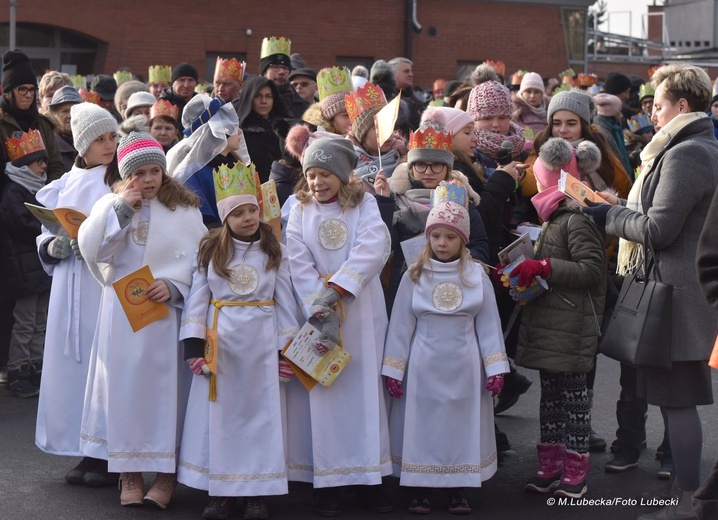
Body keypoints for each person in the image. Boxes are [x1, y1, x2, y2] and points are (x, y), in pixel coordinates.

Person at [581, 63, 718, 520]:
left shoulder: (688, 153)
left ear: (682, 106)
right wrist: (618, 208)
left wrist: (609, 216)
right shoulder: (691, 147)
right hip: (677, 295)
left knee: (677, 403)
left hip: (676, 300)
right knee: (675, 401)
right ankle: (690, 501)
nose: (651, 114)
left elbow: (659, 229)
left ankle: (687, 505)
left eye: (658, 106)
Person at [77, 120, 206, 509]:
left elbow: (199, 262)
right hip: (123, 317)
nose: (148, 180)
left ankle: (166, 476)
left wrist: (176, 286)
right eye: (138, 173)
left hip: (166, 318)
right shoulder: (110, 205)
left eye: (154, 171)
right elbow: (95, 250)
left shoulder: (183, 208)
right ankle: (129, 472)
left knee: (168, 395)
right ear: (125, 175)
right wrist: (121, 209)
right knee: (126, 392)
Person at [177, 161, 298, 520]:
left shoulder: (274, 249)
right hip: (222, 345)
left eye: (252, 210)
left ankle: (257, 492)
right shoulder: (212, 251)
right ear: (225, 217)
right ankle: (223, 492)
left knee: (260, 418)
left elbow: (286, 303)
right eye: (238, 213)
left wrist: (285, 352)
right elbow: (198, 300)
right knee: (222, 419)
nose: (247, 218)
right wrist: (193, 348)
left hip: (261, 346)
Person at [284, 137, 393, 516]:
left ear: (344, 175)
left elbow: (374, 246)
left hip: (359, 307)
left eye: (325, 174)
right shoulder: (299, 209)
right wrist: (319, 301)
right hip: (317, 312)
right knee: (324, 393)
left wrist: (339, 288)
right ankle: (327, 480)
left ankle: (368, 479)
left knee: (363, 392)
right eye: (311, 174)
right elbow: (295, 257)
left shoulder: (364, 203)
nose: (317, 182)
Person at [382, 192, 509, 515]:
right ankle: (419, 488)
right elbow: (401, 325)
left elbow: (489, 324)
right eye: (436, 235)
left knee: (459, 427)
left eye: (450, 237)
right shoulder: (414, 275)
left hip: (465, 366)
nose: (442, 242)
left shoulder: (476, 276)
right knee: (422, 426)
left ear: (462, 240)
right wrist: (394, 369)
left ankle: (457, 488)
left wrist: (494, 367)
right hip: (423, 365)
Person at [513, 137, 607, 499]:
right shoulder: (554, 216)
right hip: (554, 324)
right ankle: (550, 464)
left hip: (572, 324)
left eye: (538, 180)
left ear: (552, 180)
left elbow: (592, 271)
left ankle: (575, 467)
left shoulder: (573, 218)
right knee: (550, 397)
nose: (535, 187)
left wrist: (546, 265)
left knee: (574, 399)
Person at [35, 102, 121, 486]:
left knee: (102, 367)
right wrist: (50, 246)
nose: (108, 145)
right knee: (73, 367)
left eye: (112, 137)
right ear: (82, 144)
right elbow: (46, 228)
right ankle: (80, 448)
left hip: (100, 283)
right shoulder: (63, 184)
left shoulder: (118, 180)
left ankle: (105, 452)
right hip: (69, 283)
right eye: (100, 139)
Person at [385, 122, 488, 312]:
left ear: (447, 168)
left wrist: (457, 257)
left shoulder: (462, 200)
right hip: (406, 285)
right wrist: (381, 202)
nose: (428, 172)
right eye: (421, 165)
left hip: (451, 287)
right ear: (411, 167)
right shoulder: (395, 200)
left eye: (437, 165)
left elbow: (479, 245)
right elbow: (384, 246)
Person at [0, 130, 52, 397]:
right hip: (23, 270)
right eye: (37, 161)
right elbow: (21, 224)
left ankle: (36, 365)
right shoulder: (13, 190)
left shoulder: (37, 188)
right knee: (25, 322)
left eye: (43, 161)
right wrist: (50, 224)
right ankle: (17, 370)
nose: (43, 166)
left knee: (40, 320)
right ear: (23, 164)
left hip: (38, 267)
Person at [167, 95, 244, 228]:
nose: (240, 131)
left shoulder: (233, 163)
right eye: (232, 127)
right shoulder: (193, 172)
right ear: (217, 131)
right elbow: (204, 221)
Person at [0, 49, 65, 181]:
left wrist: (47, 193)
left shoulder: (43, 123)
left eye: (32, 89)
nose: (29, 95)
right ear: (7, 92)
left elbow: (56, 165)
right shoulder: (1, 123)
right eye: (22, 89)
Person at [345, 81, 405, 185]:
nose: (387, 133)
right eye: (377, 127)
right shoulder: (347, 161)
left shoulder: (402, 156)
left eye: (389, 126)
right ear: (362, 135)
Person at [236, 76, 291, 183]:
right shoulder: (239, 133)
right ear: (249, 98)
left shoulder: (284, 129)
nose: (264, 101)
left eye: (269, 96)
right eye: (257, 96)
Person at [259, 36, 308, 118]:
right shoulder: (247, 101)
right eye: (275, 67)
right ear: (264, 71)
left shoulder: (302, 107)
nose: (281, 72)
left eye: (285, 68)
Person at [301, 66, 353, 136]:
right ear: (330, 120)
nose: (353, 120)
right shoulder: (318, 143)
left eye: (355, 114)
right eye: (346, 115)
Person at [593, 93, 632, 177]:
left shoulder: (614, 128)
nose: (621, 114)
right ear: (612, 113)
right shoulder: (602, 132)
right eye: (619, 111)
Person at [46, 86, 82, 171]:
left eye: (74, 110)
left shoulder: (90, 142)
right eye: (65, 111)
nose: (70, 115)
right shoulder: (49, 144)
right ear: (54, 115)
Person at [513, 72, 548, 139]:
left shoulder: (550, 111)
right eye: (528, 91)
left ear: (542, 94)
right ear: (522, 93)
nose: (532, 96)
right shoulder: (515, 113)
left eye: (536, 92)